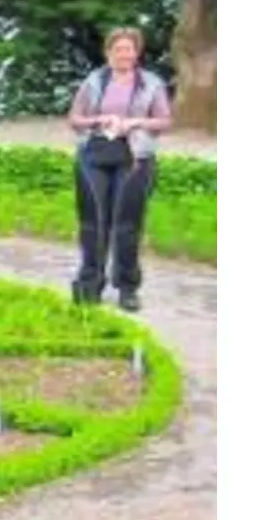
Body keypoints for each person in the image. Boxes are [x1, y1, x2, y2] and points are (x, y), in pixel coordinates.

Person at [66, 27, 173, 311]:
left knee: (127, 225)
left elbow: (163, 121)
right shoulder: (93, 81)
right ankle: (89, 284)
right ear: (108, 52)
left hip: (134, 155)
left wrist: (134, 122)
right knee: (93, 223)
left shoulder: (152, 83)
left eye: (129, 49)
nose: (124, 54)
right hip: (95, 153)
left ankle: (127, 287)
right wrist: (98, 119)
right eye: (118, 49)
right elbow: (75, 118)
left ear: (136, 53)